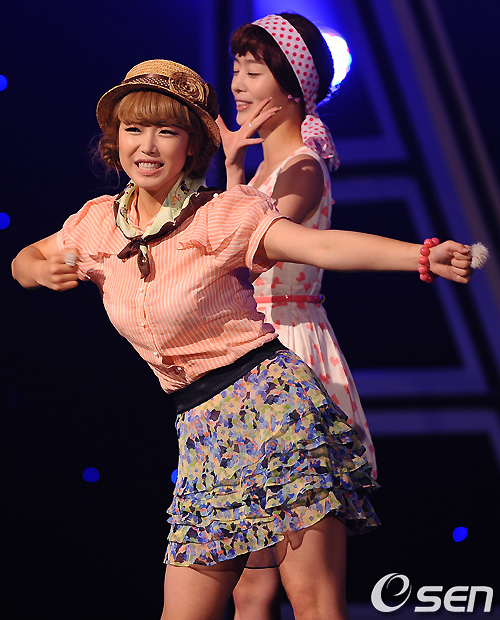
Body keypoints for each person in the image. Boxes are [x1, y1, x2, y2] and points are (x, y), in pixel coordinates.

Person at [11, 59, 473, 620]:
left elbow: (321, 247)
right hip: (200, 432)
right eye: (134, 129)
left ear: (191, 146)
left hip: (272, 410)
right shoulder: (97, 224)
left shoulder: (220, 216)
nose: (147, 146)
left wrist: (420, 256)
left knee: (315, 606)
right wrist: (41, 271)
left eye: (166, 131)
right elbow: (24, 258)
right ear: (115, 140)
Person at [216, 13, 375, 619]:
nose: (238, 84)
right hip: (246, 353)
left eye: (253, 72)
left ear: (291, 88)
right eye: (236, 69)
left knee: (311, 593)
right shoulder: (261, 169)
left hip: (288, 350)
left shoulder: (302, 167)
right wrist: (235, 170)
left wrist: (233, 178)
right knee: (250, 589)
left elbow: (254, 237)